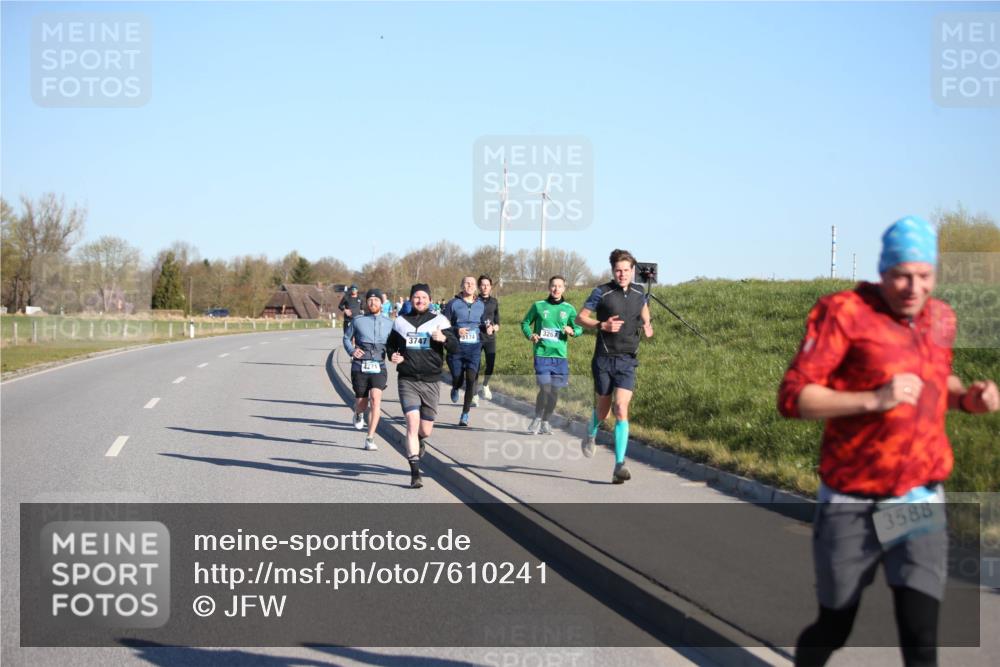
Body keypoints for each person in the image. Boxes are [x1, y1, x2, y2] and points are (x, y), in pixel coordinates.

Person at [777, 216, 999, 667]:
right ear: (883, 272)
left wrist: (968, 398)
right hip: (851, 500)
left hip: (916, 499)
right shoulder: (843, 312)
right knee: (836, 624)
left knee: (921, 638)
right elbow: (794, 397)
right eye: (902, 274)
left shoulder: (939, 317)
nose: (914, 287)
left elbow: (937, 382)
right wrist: (873, 399)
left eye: (924, 275)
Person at [575, 249, 654, 484]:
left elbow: (644, 308)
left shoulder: (640, 292)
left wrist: (648, 324)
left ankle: (619, 465)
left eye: (626, 270)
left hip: (628, 359)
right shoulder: (601, 292)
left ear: (633, 271)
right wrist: (602, 325)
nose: (622, 274)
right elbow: (580, 318)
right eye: (618, 270)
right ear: (612, 271)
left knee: (621, 409)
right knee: (603, 411)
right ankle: (591, 432)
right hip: (604, 359)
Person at [386, 283, 459, 488]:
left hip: (431, 380)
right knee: (411, 422)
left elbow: (455, 347)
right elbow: (390, 345)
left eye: (424, 298)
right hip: (407, 379)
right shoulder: (400, 322)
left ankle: (419, 440)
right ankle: (415, 473)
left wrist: (443, 338)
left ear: (430, 300)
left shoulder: (440, 320)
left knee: (425, 430)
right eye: (416, 297)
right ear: (410, 299)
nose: (420, 301)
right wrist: (393, 355)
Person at [521, 275, 582, 434]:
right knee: (545, 388)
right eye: (553, 286)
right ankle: (537, 418)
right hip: (542, 353)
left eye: (559, 286)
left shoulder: (569, 309)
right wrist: (530, 335)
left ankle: (546, 422)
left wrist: (572, 331)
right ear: (549, 287)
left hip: (560, 357)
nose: (556, 289)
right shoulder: (539, 306)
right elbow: (525, 323)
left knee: (554, 391)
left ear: (564, 288)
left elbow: (579, 328)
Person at [343, 289, 392, 450]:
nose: (373, 303)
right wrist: (351, 351)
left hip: (379, 365)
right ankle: (358, 413)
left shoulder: (390, 323)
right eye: (370, 300)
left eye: (376, 300)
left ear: (381, 303)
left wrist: (397, 354)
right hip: (360, 366)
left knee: (376, 400)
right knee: (362, 403)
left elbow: (396, 343)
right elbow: (346, 338)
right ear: (366, 303)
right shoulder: (358, 321)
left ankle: (370, 438)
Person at [444, 276, 486, 427]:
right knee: (458, 378)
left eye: (472, 284)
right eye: (466, 283)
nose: (469, 286)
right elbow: (443, 324)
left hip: (474, 348)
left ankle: (465, 414)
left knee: (471, 380)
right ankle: (455, 386)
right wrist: (457, 330)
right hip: (456, 347)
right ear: (461, 286)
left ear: (476, 287)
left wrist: (487, 328)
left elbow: (483, 323)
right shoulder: (452, 304)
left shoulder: (480, 305)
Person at [477, 275, 501, 403]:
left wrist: (495, 327)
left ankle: (485, 385)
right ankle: (474, 393)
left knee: (490, 365)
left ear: (491, 287)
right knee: (475, 365)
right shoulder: (475, 301)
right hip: (476, 337)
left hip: (490, 338)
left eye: (487, 285)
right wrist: (482, 326)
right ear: (479, 287)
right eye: (483, 285)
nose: (485, 287)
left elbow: (497, 321)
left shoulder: (494, 301)